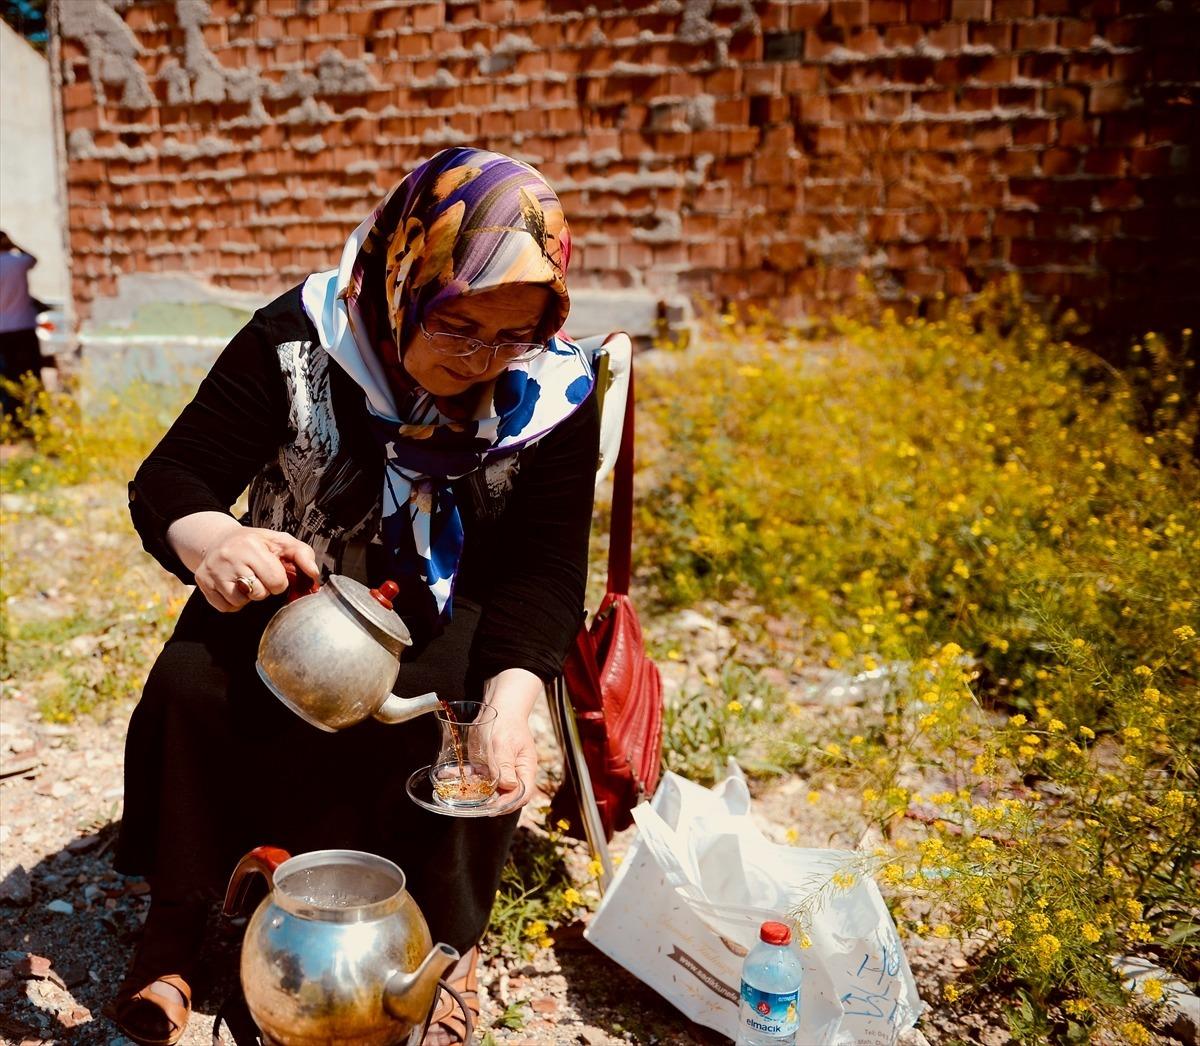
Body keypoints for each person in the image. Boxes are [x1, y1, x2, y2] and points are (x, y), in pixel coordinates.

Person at [111, 147, 599, 1046]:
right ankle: (180, 923)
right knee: (193, 688)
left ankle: (442, 951)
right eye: (459, 325)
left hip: (451, 607)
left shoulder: (556, 388)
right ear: (403, 279)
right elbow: (172, 476)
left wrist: (516, 694)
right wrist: (213, 540)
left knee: (455, 729)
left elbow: (547, 565)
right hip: (294, 594)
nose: (485, 359)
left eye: (513, 333)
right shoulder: (297, 341)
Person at [0, 230, 44, 417]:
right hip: (23, 327)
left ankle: (12, 416)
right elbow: (33, 259)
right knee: (29, 372)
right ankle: (35, 412)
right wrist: (14, 244)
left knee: (7, 376)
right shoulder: (18, 262)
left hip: (2, 329)